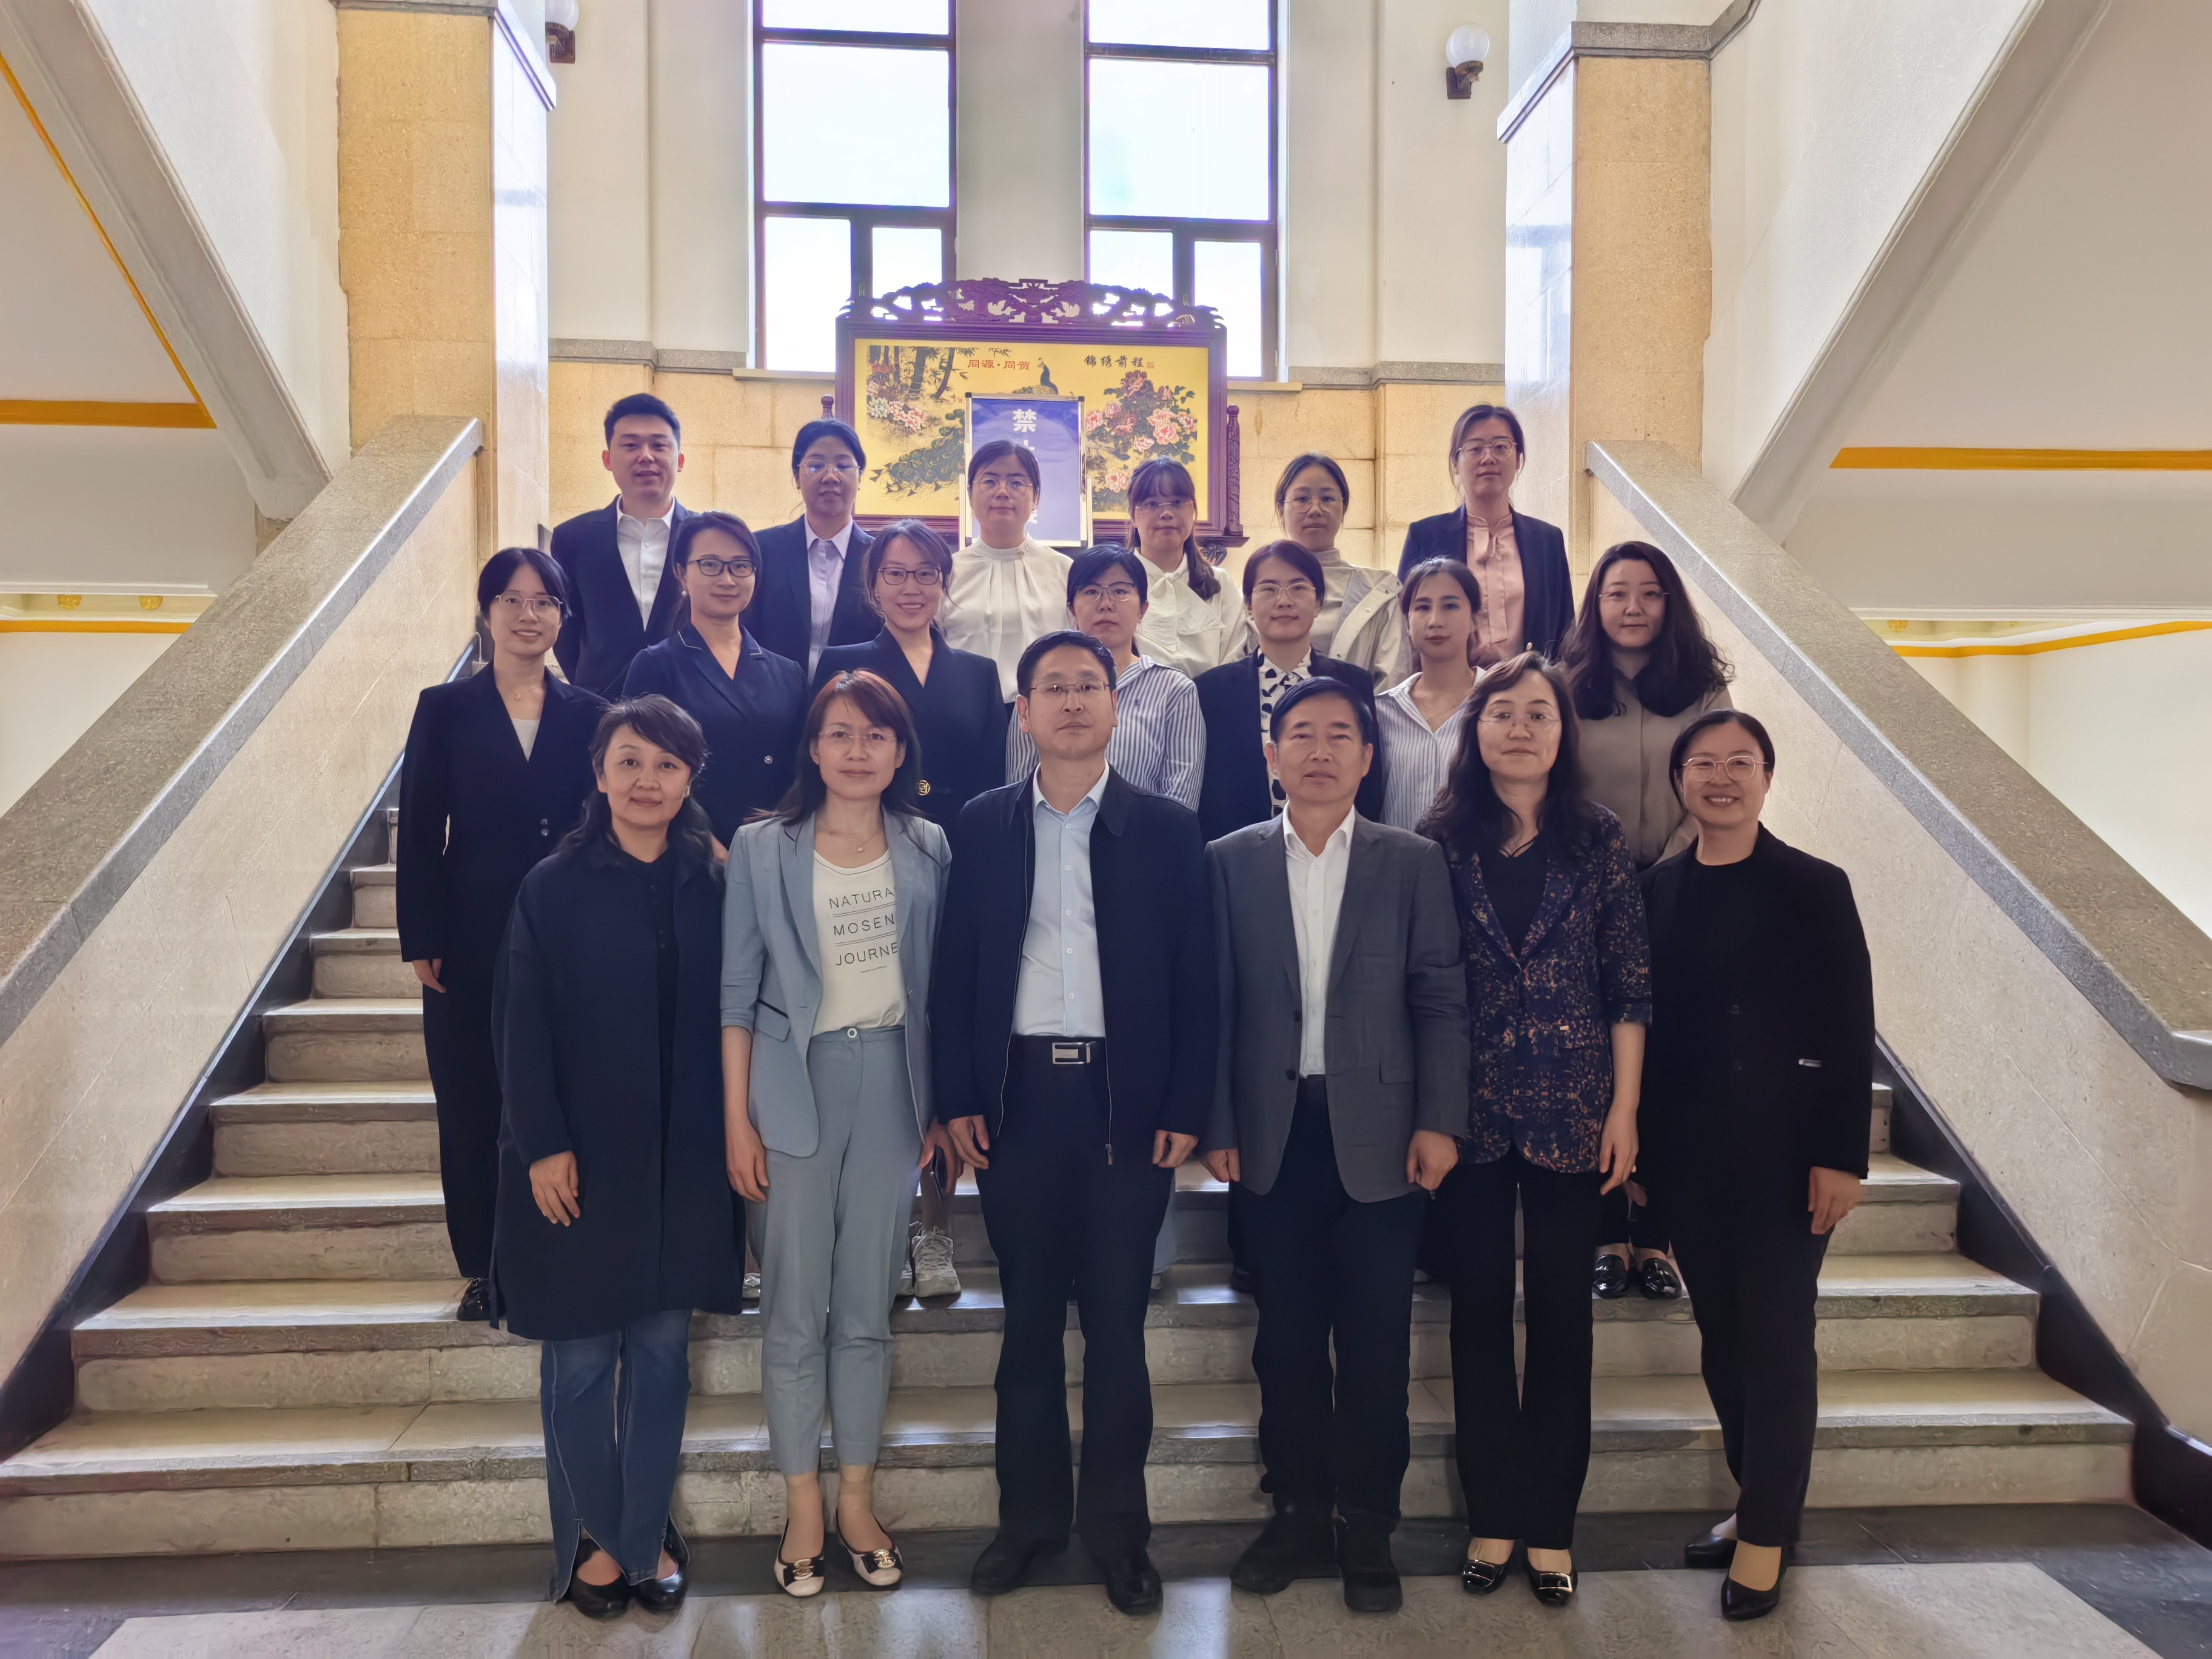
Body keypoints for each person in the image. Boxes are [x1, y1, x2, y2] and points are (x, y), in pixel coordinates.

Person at [931, 630, 1217, 1617]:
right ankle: (1028, 1523)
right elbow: (955, 971)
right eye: (1050, 687)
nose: (1069, 701)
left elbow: (1197, 978)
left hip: (1123, 1108)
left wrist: (1186, 1103)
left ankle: (1119, 1532)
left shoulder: (1165, 828)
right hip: (1017, 1102)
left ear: (1114, 706)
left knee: (1116, 1330)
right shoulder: (983, 823)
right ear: (1023, 711)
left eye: (1087, 685)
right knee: (1026, 1330)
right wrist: (957, 1095)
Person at [1203, 677, 1467, 1614]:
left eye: (1339, 736)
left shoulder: (1412, 861)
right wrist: (1219, 1125)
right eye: (1301, 735)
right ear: (1270, 756)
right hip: (1271, 1135)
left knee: (1375, 1343)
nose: (1319, 751)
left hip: (1384, 1136)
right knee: (1283, 1342)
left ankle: (1369, 1523)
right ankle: (1298, 1509)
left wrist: (1440, 1119)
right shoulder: (1228, 860)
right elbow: (1216, 1004)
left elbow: (1440, 995)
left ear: (1367, 756)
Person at [491, 695, 741, 1620]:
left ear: (690, 779)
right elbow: (520, 1026)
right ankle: (595, 1537)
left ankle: (643, 1535)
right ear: (599, 774)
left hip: (685, 1155)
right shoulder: (551, 887)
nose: (647, 781)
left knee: (664, 1353)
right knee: (584, 1356)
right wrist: (544, 1145)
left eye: (667, 765)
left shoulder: (715, 880)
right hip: (584, 1155)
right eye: (629, 761)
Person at [1418, 652, 1649, 1608]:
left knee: (1562, 1318)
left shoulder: (1599, 837)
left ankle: (1552, 1524)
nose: (1520, 728)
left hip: (1575, 1107)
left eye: (1539, 714)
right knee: (1476, 1317)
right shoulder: (1438, 839)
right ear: (1475, 731)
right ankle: (1493, 1516)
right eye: (1502, 712)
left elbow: (1629, 982)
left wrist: (1625, 1109)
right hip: (1467, 1114)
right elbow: (1423, 985)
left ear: (1564, 732)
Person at [721, 670, 954, 1597]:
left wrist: (938, 1106)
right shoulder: (760, 845)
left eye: (877, 736)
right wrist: (737, 1122)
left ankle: (856, 1498)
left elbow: (939, 984)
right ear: (812, 749)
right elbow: (737, 994)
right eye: (841, 734)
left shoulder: (929, 844)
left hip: (894, 1084)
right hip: (792, 1086)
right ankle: (803, 1506)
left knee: (865, 1308)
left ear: (901, 753)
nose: (858, 751)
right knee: (792, 1311)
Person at [1641, 710, 1872, 1623]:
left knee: (1776, 1338)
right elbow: (1650, 1034)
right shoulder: (1657, 891)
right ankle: (1757, 1502)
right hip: (1691, 1155)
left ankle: (1769, 1534)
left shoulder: (1813, 886)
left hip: (1786, 1156)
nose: (1721, 777)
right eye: (1703, 763)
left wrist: (1841, 1156)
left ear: (1768, 778)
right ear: (1680, 781)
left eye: (1741, 762)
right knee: (1723, 1337)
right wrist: (1644, 1156)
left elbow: (1847, 1023)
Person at [398, 549, 605, 1322]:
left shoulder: (592, 712)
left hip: (568, 928)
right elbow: (421, 827)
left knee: (564, 1091)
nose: (529, 615)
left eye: (545, 601)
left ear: (562, 617)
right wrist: (421, 931)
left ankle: (559, 1250)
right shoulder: (445, 707)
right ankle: (483, 1266)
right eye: (512, 600)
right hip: (470, 928)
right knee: (471, 1099)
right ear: (486, 613)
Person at [1560, 539, 1734, 1301]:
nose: (1633, 607)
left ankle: (1657, 1236)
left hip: (1683, 886)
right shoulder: (1566, 686)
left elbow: (1718, 783)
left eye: (1649, 593)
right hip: (1586, 890)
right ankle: (1606, 1233)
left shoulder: (1705, 690)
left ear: (1670, 603)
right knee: (1598, 1061)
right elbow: (1553, 785)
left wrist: (1670, 864)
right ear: (1594, 605)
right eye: (1616, 593)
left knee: (1667, 1060)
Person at [620, 512, 806, 851]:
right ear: (681, 573)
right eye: (710, 565)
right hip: (687, 852)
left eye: (740, 566)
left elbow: (802, 770)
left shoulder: (788, 673)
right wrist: (709, 848)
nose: (727, 579)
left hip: (778, 849)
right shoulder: (656, 665)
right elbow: (638, 770)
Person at [814, 518, 1006, 832]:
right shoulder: (841, 664)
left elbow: (992, 780)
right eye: (895, 574)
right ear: (874, 585)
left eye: (926, 573)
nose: (911, 588)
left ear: (943, 583)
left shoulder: (980, 674)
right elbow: (817, 761)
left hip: (961, 837)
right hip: (865, 833)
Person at [1193, 540, 1385, 842]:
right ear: (1248, 605)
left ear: (1319, 602)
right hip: (1240, 855)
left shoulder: (1354, 684)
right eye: (1268, 589)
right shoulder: (1211, 691)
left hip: (1337, 849)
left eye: (1298, 588)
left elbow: (1369, 782)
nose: (1284, 601)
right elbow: (1207, 792)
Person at [1007, 546, 1204, 811]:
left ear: (1143, 609)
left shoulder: (1175, 691)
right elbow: (1017, 790)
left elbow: (1179, 806)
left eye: (1121, 591)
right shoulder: (1038, 685)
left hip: (1142, 836)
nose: (1106, 603)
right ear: (1072, 609)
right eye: (1091, 591)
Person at [1395, 404, 1572, 665]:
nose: (1488, 458)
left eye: (1501, 447)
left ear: (1518, 459)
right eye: (1475, 449)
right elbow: (1404, 623)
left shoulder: (1547, 540)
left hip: (1529, 685)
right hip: (1449, 683)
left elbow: (1565, 631)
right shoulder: (1425, 536)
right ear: (1455, 463)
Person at [551, 394, 694, 694]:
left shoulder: (706, 537)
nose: (646, 456)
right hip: (600, 708)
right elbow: (565, 632)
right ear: (608, 459)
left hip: (689, 706)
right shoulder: (573, 539)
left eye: (659, 445)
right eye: (631, 445)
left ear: (680, 460)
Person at [942, 441, 1073, 699]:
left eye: (1016, 483)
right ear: (970, 495)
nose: (1002, 492)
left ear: (1036, 498)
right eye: (990, 482)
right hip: (966, 710)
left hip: (1048, 711)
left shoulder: (1065, 571)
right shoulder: (946, 574)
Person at [749, 418, 878, 679]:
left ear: (860, 477)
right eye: (816, 466)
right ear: (797, 477)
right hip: (771, 696)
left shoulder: (880, 558)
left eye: (843, 466)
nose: (831, 477)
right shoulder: (761, 550)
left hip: (856, 700)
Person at [1275, 454, 1407, 687]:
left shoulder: (1379, 590)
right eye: (1301, 499)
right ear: (1281, 509)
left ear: (1343, 508)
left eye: (1327, 498)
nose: (1315, 509)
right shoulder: (1256, 591)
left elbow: (1392, 684)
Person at [1375, 558, 1480, 833]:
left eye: (1450, 606)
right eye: (1422, 607)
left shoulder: (1496, 705)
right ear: (1407, 623)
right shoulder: (1382, 711)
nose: (1435, 621)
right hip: (1395, 858)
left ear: (1474, 620)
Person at [1122, 457, 1247, 678]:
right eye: (1152, 504)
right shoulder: (1117, 584)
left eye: (1178, 502)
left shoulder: (1220, 583)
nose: (1167, 513)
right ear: (1134, 515)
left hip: (1213, 699)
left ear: (1193, 511)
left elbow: (1235, 657)